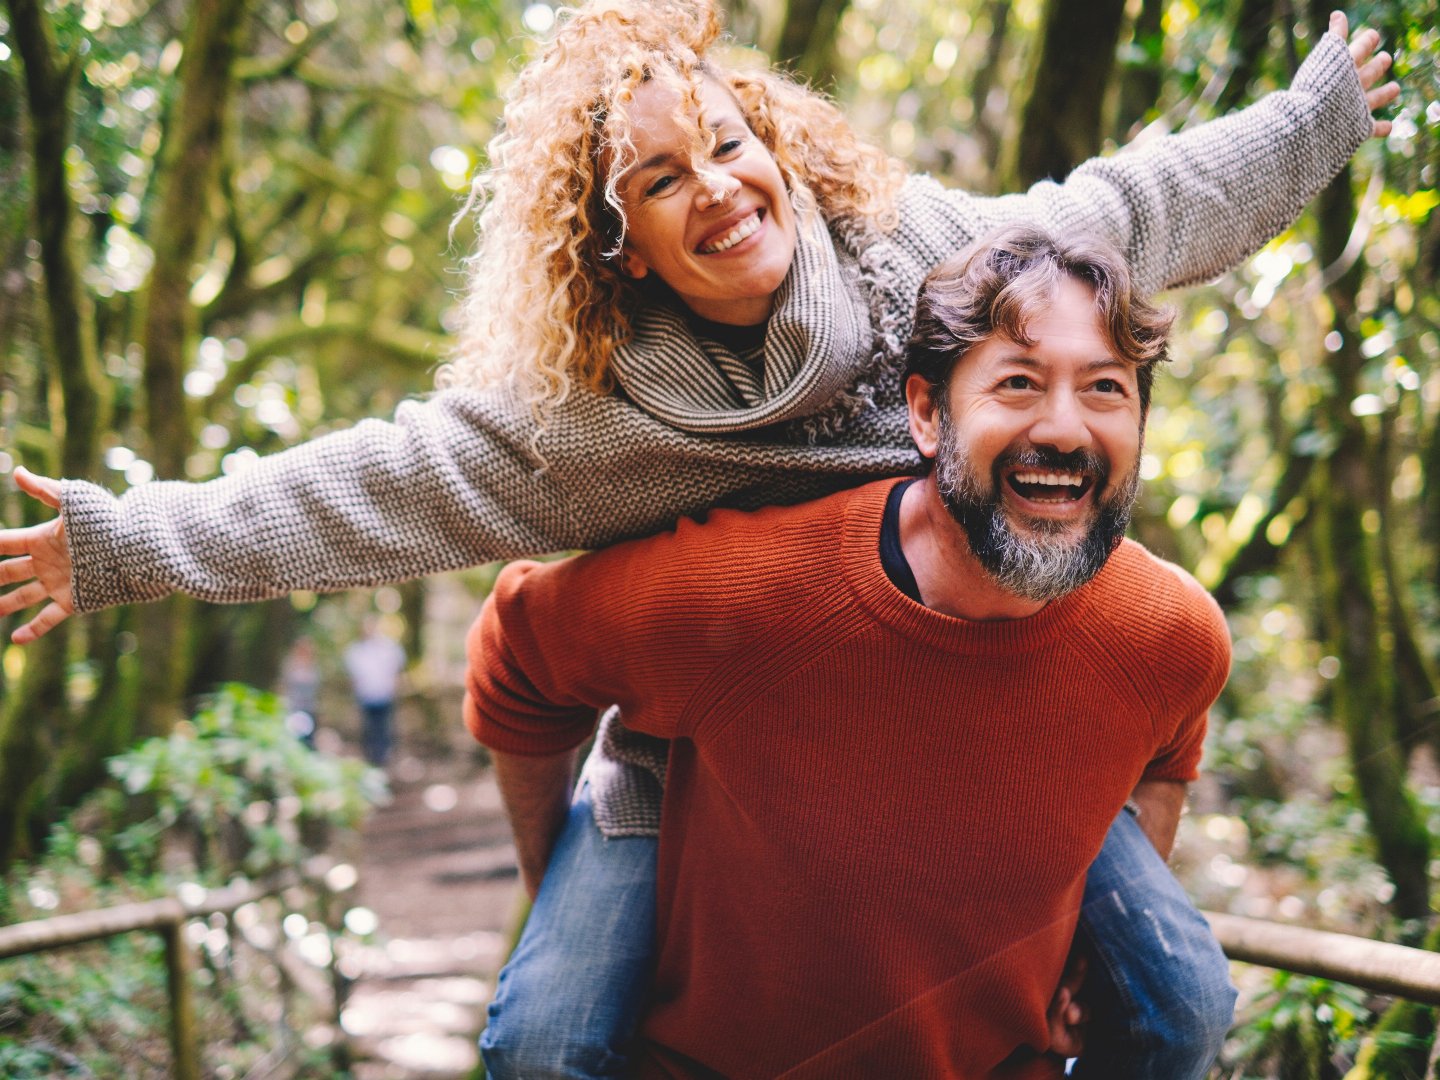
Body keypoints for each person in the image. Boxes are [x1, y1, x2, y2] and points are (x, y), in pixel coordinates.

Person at [0, 0, 1398, 1073]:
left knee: (1184, 994)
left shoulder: (922, 258)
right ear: (620, 249)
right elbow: (376, 488)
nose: (718, 186)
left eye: (730, 144)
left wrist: (1319, 115)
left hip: (972, 683)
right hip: (697, 742)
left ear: (777, 148)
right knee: (545, 1036)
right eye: (660, 183)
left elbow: (1137, 207)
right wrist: (127, 543)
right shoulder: (586, 420)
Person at [464, 226, 1232, 1078]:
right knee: (539, 1045)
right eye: (1017, 383)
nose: (1063, 427)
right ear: (928, 414)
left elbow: (1170, 747)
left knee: (1188, 1007)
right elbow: (518, 649)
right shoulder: (745, 597)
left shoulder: (1171, 634)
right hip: (709, 1053)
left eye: (1105, 390)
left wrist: (1091, 952)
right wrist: (552, 888)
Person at [342, 618, 407, 766]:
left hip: (385, 695)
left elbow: (397, 671)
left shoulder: (389, 648)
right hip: (366, 696)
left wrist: (396, 688)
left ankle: (382, 759)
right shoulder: (356, 651)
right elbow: (352, 677)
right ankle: (370, 759)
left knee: (383, 729)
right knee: (368, 729)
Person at [280, 634, 322, 748]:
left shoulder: (313, 666)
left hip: (309, 707)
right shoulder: (290, 665)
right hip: (294, 707)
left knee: (308, 741)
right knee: (294, 739)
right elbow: (285, 685)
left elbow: (316, 687)